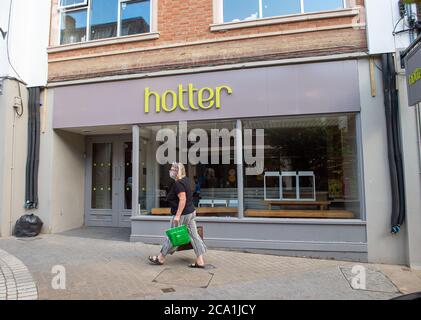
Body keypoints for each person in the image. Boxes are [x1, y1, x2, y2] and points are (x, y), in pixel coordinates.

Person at [148, 162, 207, 268]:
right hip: (190, 212)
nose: (170, 171)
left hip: (183, 214)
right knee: (194, 236)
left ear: (177, 171)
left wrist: (177, 216)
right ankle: (200, 261)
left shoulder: (178, 183)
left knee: (172, 236)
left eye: (172, 169)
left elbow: (183, 199)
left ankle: (160, 258)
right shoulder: (186, 180)